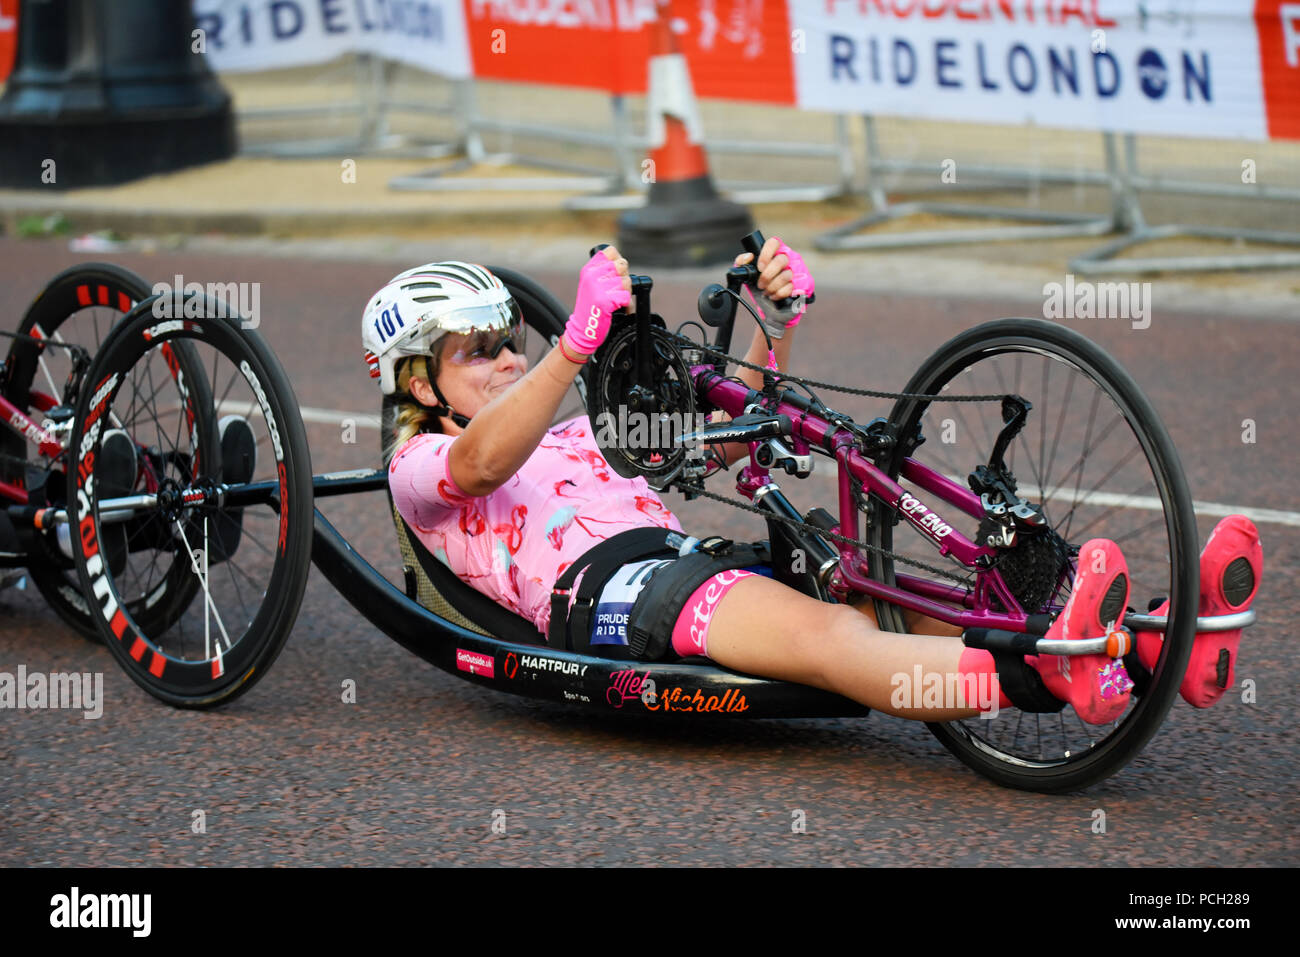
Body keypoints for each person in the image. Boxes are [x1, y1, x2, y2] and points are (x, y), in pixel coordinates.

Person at [365, 243, 1262, 723]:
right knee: (832, 631)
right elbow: (483, 462)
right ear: (416, 381)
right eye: (476, 352)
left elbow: (717, 438)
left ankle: (1151, 643)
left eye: (509, 341)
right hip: (608, 595)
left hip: (685, 559)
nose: (505, 360)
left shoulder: (566, 430)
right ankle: (1046, 677)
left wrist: (774, 320)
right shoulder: (418, 468)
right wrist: (570, 347)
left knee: (890, 588)